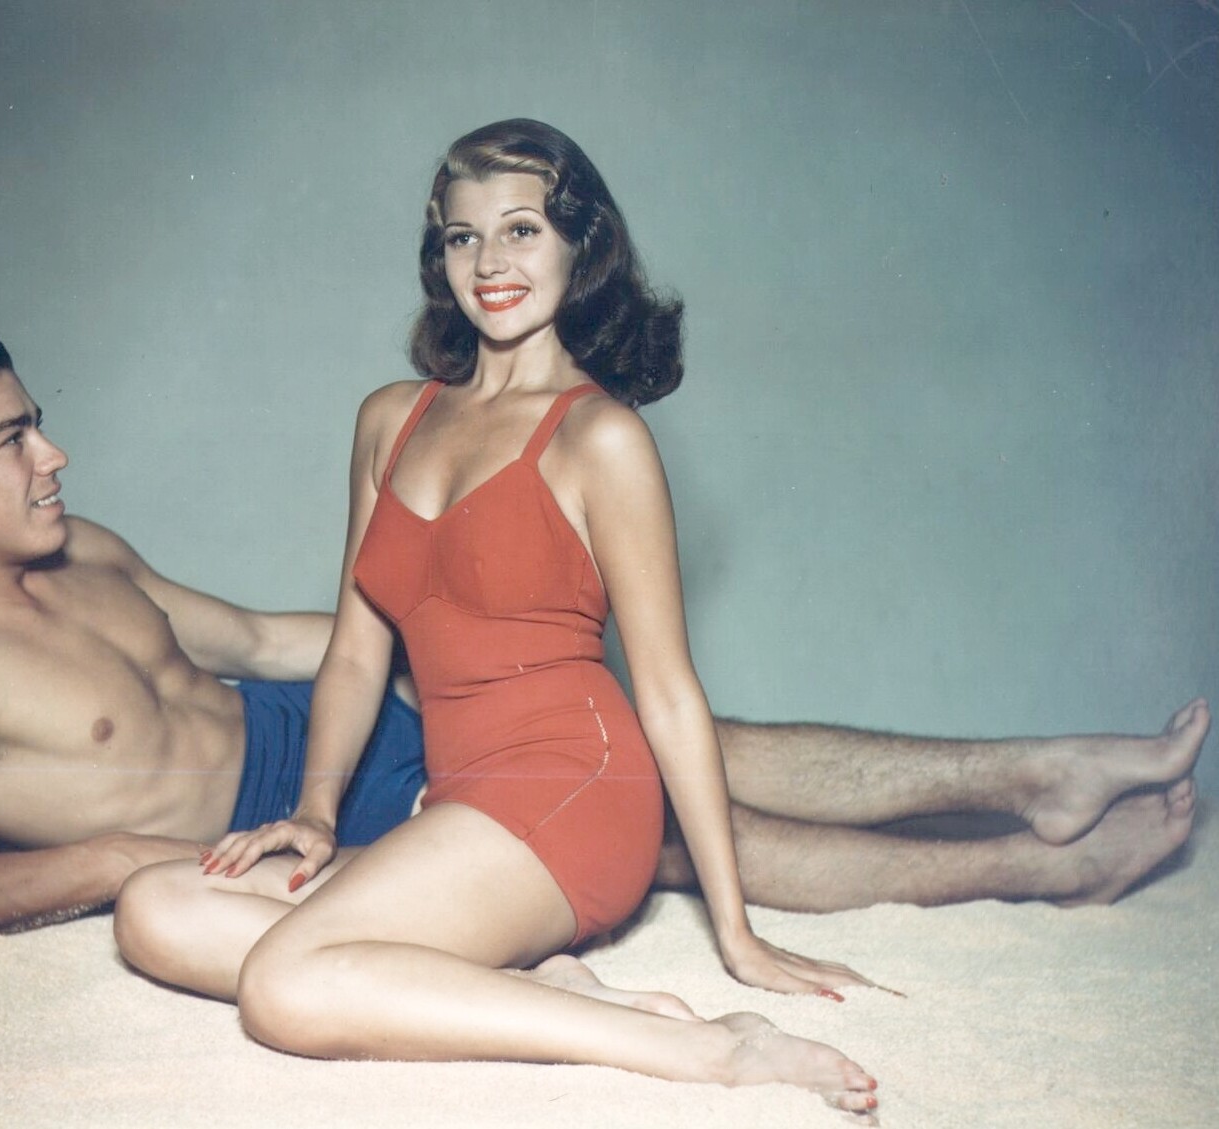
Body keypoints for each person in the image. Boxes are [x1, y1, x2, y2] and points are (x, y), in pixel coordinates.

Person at [111, 120, 1198, 1108]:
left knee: (286, 986)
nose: (490, 264)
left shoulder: (602, 439)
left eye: (522, 229)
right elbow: (356, 649)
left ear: (579, 245)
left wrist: (734, 930)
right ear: (437, 258)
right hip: (453, 801)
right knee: (157, 908)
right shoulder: (387, 420)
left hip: (575, 793)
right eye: (461, 238)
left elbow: (669, 692)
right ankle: (539, 983)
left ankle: (699, 1048)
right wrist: (313, 809)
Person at [0, 322, 1205, 936]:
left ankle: (1028, 772)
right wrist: (132, 859)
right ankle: (1029, 869)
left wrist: (452, 638)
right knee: (655, 836)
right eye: (13, 439)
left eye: (39, 423)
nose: (53, 455)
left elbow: (248, 636)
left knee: (654, 737)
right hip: (268, 829)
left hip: (320, 740)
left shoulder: (84, 551)